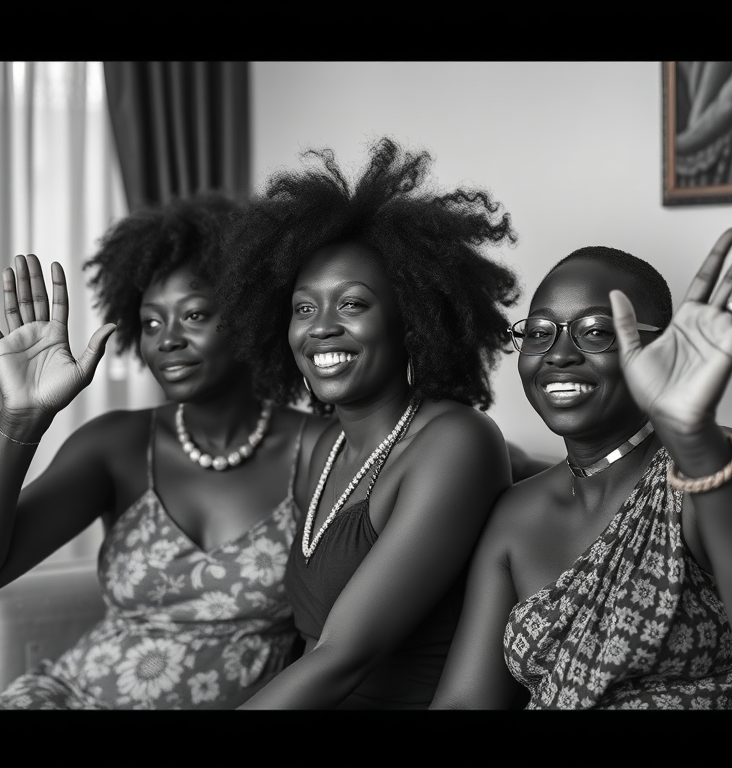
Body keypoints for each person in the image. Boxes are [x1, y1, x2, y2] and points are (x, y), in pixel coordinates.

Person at [0, 194, 328, 709]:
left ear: (250, 317)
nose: (167, 340)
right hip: (71, 696)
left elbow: (337, 643)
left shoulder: (317, 450)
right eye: (151, 323)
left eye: (194, 315)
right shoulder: (115, 445)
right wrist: (23, 417)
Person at [431, 228, 732, 709]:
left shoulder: (713, 468)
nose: (559, 355)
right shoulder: (515, 513)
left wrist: (694, 439)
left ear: (659, 349)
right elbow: (465, 700)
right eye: (539, 333)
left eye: (595, 332)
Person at [214, 137, 532, 708]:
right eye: (304, 308)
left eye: (353, 304)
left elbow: (343, 656)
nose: (321, 328)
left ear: (411, 322)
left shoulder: (455, 442)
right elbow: (311, 651)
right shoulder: (326, 446)